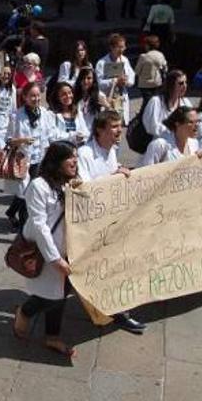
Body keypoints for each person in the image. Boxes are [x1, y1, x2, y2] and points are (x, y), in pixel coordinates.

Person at [75, 110, 148, 334]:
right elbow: (86, 188)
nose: (119, 131)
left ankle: (119, 311)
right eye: (114, 127)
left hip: (113, 223)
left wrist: (119, 171)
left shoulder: (112, 151)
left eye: (119, 126)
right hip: (92, 226)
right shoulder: (85, 153)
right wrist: (113, 178)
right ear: (100, 130)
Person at [12, 141, 79, 358]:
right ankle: (24, 313)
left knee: (61, 293)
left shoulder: (69, 183)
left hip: (66, 247)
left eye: (75, 157)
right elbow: (40, 226)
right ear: (56, 161)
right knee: (48, 295)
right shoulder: (39, 186)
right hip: (44, 249)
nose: (75, 162)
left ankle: (52, 336)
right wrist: (55, 259)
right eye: (70, 157)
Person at [4, 82, 60, 229]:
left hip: (39, 159)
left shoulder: (45, 114)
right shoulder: (16, 115)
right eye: (32, 96)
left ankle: (12, 213)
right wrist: (21, 140)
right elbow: (8, 140)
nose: (36, 98)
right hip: (22, 159)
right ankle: (24, 227)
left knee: (30, 192)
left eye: (37, 95)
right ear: (25, 97)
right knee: (24, 192)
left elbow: (50, 136)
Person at [94, 34, 135, 124]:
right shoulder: (102, 63)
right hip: (108, 99)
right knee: (109, 125)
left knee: (119, 126)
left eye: (123, 47)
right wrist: (114, 81)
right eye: (119, 47)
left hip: (121, 98)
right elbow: (99, 83)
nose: (122, 50)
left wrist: (126, 81)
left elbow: (132, 77)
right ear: (111, 47)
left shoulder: (125, 60)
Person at [142, 70, 193, 139]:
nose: (185, 86)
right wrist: (174, 130)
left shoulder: (185, 102)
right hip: (161, 143)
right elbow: (151, 126)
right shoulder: (156, 102)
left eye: (185, 82)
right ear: (171, 85)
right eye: (181, 83)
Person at [133, 35, 167, 102]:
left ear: (147, 46)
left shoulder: (143, 57)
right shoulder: (160, 55)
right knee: (155, 100)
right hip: (157, 82)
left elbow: (137, 71)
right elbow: (165, 68)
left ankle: (143, 112)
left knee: (146, 101)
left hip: (144, 84)